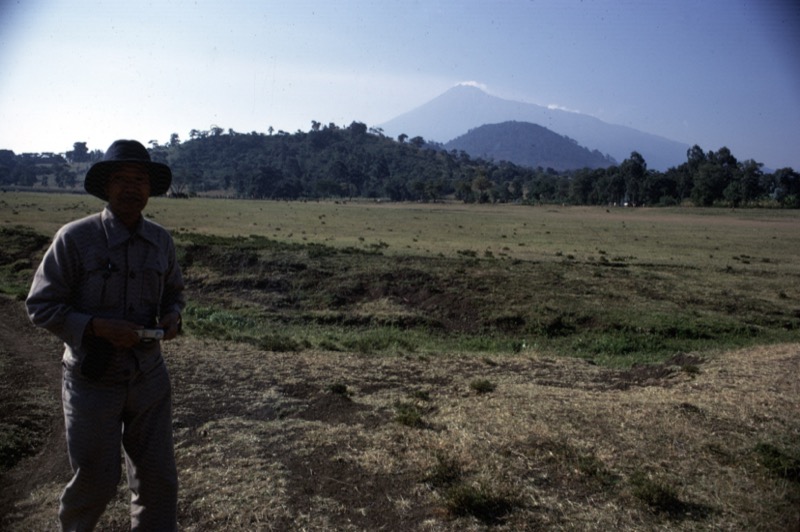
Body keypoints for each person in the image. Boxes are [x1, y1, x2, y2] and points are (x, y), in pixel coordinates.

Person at [26, 139, 185, 531]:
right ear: (106, 187)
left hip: (149, 377)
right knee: (96, 480)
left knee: (158, 482)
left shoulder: (161, 241)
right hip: (92, 380)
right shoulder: (74, 238)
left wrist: (172, 316)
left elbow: (176, 293)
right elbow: (40, 306)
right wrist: (96, 327)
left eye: (139, 180)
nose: (131, 187)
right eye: (121, 179)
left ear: (150, 189)